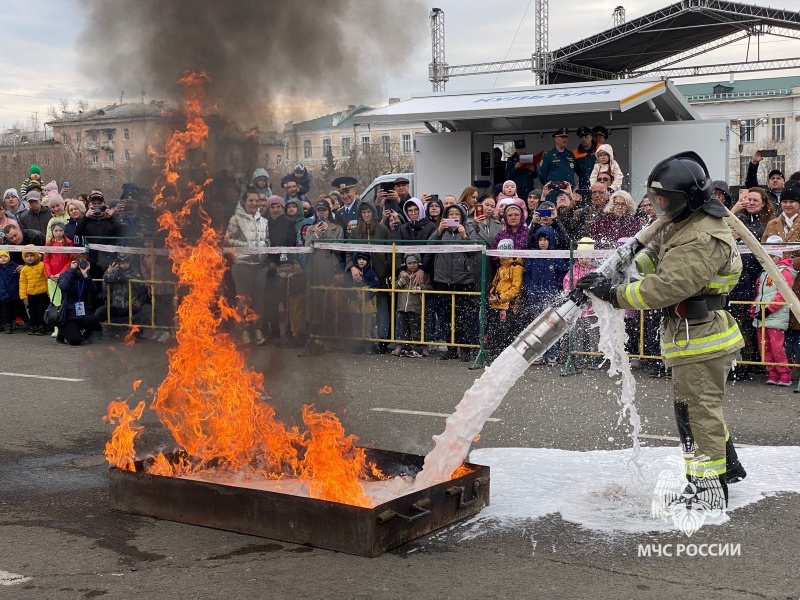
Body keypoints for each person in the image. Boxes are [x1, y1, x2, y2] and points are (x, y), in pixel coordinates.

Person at [578, 151, 747, 510]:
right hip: (690, 331)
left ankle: (708, 488)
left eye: (665, 198)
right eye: (656, 197)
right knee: (700, 409)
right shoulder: (682, 222)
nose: (659, 205)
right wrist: (617, 268)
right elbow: (653, 252)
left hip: (702, 335)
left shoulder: (702, 236)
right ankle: (727, 467)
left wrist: (614, 293)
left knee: (697, 413)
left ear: (689, 198)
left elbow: (666, 287)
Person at [428, 203, 480, 361]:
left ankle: (464, 348)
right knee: (445, 316)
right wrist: (438, 231)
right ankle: (450, 348)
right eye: (451, 214)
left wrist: (464, 236)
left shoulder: (469, 229)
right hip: (443, 279)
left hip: (463, 280)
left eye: (457, 214)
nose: (454, 217)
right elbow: (429, 246)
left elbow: (475, 249)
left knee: (463, 316)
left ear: (462, 217)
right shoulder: (440, 231)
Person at [224, 188, 270, 345]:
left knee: (259, 301)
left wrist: (263, 247)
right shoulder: (235, 219)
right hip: (242, 266)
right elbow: (228, 240)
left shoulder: (264, 221)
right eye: (251, 200)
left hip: (260, 266)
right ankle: (243, 331)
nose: (254, 203)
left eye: (257, 201)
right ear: (244, 202)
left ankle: (257, 328)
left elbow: (268, 241)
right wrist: (247, 246)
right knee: (243, 300)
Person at [345, 202, 391, 353]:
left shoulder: (383, 229)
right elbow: (348, 252)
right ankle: (362, 341)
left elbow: (392, 251)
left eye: (369, 212)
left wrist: (388, 270)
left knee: (382, 309)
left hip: (380, 276)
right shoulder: (354, 232)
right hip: (360, 279)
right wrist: (352, 267)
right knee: (361, 311)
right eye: (363, 212)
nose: (366, 215)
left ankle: (383, 340)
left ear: (374, 213)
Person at [301, 201, 345, 356]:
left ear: (329, 211)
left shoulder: (337, 227)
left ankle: (330, 338)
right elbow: (307, 245)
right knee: (315, 303)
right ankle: (314, 336)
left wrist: (328, 232)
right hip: (314, 269)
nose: (322, 213)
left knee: (329, 302)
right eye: (319, 210)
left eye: (324, 210)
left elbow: (339, 247)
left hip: (330, 268)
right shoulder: (310, 228)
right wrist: (317, 234)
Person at [751, 235, 796, 386]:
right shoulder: (764, 273)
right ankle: (771, 372)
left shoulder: (784, 272)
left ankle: (784, 374)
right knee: (765, 347)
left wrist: (770, 309)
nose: (769, 259)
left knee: (777, 347)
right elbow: (759, 294)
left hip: (775, 316)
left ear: (778, 256)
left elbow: (783, 294)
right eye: (767, 256)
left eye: (772, 256)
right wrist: (754, 309)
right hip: (762, 315)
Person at [523, 226, 568, 365]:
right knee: (537, 327)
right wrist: (532, 290)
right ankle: (538, 353)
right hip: (536, 297)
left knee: (552, 326)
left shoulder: (557, 257)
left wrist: (555, 291)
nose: (543, 242)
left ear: (551, 241)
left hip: (552, 297)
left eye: (545, 239)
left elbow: (563, 275)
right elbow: (527, 276)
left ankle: (552, 354)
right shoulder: (533, 257)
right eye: (540, 239)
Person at [563, 237, 601, 369]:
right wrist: (570, 294)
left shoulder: (595, 271)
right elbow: (567, 284)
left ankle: (594, 357)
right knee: (577, 335)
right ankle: (578, 356)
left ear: (592, 257)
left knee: (594, 335)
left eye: (587, 257)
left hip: (592, 310)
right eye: (581, 257)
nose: (584, 260)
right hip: (577, 310)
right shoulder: (573, 270)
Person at [486, 238, 525, 364]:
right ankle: (495, 353)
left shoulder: (516, 267)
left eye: (505, 252)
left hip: (508, 305)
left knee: (507, 331)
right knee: (495, 329)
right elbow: (494, 283)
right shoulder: (500, 268)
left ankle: (506, 356)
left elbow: (515, 289)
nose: (502, 256)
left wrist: (500, 297)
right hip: (497, 304)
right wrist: (491, 295)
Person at [74, 190, 125, 279]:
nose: (97, 205)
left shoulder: (110, 218)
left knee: (108, 286)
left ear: (104, 204)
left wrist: (111, 217)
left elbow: (120, 232)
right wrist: (86, 217)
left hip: (109, 259)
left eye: (99, 203)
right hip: (91, 260)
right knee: (93, 286)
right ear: (89, 205)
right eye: (94, 203)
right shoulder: (86, 219)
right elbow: (77, 232)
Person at [97, 254, 152, 335]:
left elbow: (141, 287)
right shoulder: (115, 271)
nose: (124, 265)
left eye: (126, 262)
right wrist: (112, 273)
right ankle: (99, 333)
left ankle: (135, 333)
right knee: (99, 313)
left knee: (146, 309)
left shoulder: (136, 272)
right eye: (121, 263)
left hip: (131, 306)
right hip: (116, 305)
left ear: (130, 262)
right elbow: (106, 279)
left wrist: (141, 300)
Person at [391, 253, 431, 357]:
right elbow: (393, 286)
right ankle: (402, 346)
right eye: (409, 263)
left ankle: (418, 347)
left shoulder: (424, 275)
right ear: (406, 264)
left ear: (418, 263)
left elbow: (430, 287)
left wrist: (419, 288)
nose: (412, 265)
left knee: (416, 328)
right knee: (401, 328)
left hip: (415, 307)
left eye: (414, 263)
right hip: (402, 306)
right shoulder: (402, 274)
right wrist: (400, 283)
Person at [57, 258, 103, 345]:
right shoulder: (65, 275)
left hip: (82, 312)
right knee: (76, 341)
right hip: (68, 315)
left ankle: (81, 334)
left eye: (82, 263)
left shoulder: (85, 277)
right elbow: (64, 287)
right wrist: (71, 270)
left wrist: (85, 274)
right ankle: (62, 332)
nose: (79, 265)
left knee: (96, 325)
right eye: (77, 263)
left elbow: (93, 290)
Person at [346, 252, 380, 354]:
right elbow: (346, 287)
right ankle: (358, 344)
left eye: (364, 259)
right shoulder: (351, 274)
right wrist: (355, 296)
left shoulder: (371, 273)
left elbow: (375, 287)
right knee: (356, 325)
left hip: (367, 305)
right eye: (359, 259)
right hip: (354, 305)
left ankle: (368, 345)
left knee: (367, 326)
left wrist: (365, 296)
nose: (361, 261)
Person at [19, 246, 49, 335]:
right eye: (27, 256)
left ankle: (42, 326)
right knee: (32, 311)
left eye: (31, 255)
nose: (29, 258)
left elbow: (47, 278)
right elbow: (22, 283)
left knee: (42, 310)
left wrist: (48, 291)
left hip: (42, 293)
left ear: (36, 255)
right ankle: (34, 325)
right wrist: (23, 295)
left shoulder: (42, 265)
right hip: (31, 294)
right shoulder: (24, 269)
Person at [0, 250, 24, 333]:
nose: (3, 258)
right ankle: (7, 325)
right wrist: (4, 294)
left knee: (20, 308)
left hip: (15, 292)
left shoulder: (15, 266)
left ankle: (28, 323)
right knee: (6, 311)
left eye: (5, 256)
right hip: (4, 294)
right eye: (1, 257)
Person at [572, 126, 597, 193]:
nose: (583, 139)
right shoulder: (574, 153)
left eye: (586, 137)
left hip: (599, 185)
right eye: (581, 137)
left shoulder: (600, 149)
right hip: (583, 187)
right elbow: (576, 171)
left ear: (591, 137)